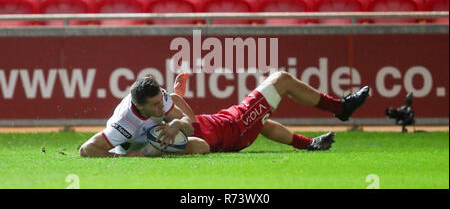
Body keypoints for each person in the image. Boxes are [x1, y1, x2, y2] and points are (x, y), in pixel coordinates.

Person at [79, 71, 370, 157]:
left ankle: (310, 144)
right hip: (236, 125)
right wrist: (130, 159)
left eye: (162, 102)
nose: (162, 108)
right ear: (139, 108)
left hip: (235, 124)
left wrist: (178, 117)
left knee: (264, 123)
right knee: (281, 79)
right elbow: (87, 149)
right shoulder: (125, 126)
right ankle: (340, 108)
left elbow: (185, 116)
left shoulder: (158, 103)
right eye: (156, 107)